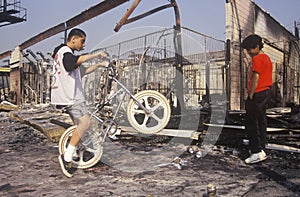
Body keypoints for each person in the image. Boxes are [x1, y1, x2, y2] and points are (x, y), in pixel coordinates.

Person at [51, 28, 108, 177]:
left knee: (79, 126)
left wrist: (99, 65)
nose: (83, 45)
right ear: (73, 39)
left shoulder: (61, 54)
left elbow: (80, 71)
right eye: (82, 41)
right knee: (85, 124)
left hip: (67, 95)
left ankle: (74, 150)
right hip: (70, 96)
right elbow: (73, 63)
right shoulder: (65, 52)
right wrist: (96, 54)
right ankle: (67, 156)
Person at [241, 34, 272, 164]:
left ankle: (256, 151)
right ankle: (261, 148)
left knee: (251, 122)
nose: (248, 52)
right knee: (261, 121)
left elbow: (256, 77)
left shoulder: (257, 59)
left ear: (257, 47)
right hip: (265, 92)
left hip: (258, 93)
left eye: (249, 49)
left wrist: (250, 94)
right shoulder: (267, 58)